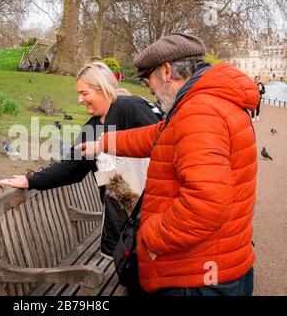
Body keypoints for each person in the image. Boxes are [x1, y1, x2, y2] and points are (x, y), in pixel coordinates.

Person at [78, 33, 260, 296]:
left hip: (196, 278)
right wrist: (103, 143)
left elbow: (205, 206)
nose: (149, 88)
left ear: (166, 72)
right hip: (222, 264)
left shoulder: (199, 112)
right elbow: (159, 135)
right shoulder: (209, 102)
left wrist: (149, 236)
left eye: (148, 79)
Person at [0, 62, 161, 258]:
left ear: (103, 89)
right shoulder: (92, 128)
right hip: (123, 223)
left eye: (84, 93)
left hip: (154, 214)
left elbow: (162, 144)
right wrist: (31, 180)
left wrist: (107, 145)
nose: (80, 99)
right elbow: (72, 167)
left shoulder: (129, 107)